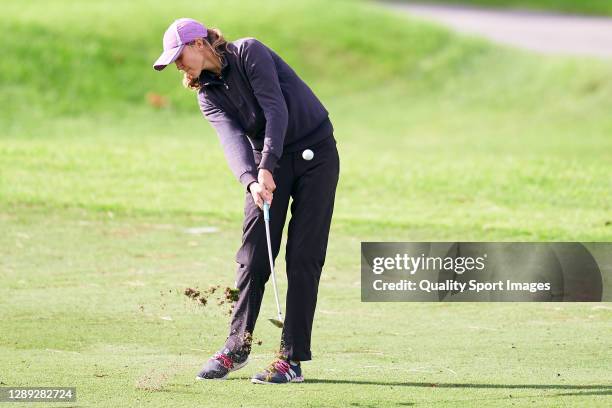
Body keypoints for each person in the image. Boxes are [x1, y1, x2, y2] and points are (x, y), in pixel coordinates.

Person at [153, 18, 340, 384]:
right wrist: (251, 180)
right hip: (266, 165)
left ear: (200, 43)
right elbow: (232, 141)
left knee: (303, 256)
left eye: (179, 55)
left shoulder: (249, 52)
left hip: (316, 154)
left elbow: (276, 110)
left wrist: (267, 165)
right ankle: (237, 347)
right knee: (254, 255)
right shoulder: (207, 95)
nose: (177, 64)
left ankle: (291, 359)